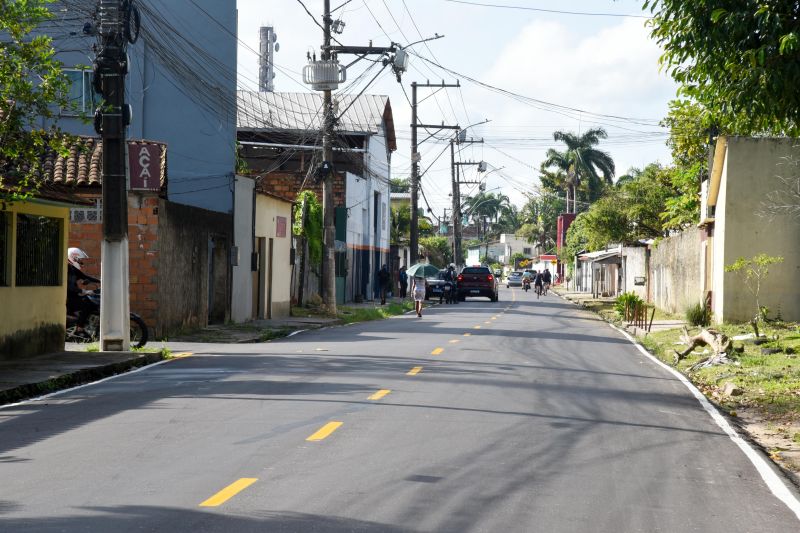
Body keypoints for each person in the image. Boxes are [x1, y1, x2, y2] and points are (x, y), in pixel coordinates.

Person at [66, 247, 100, 336]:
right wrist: (84, 291)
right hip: (69, 298)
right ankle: (79, 329)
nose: (81, 262)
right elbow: (69, 287)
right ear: (73, 258)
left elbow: (85, 277)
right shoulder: (67, 269)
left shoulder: (72, 269)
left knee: (90, 302)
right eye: (79, 259)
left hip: (74, 296)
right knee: (88, 305)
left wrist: (101, 281)